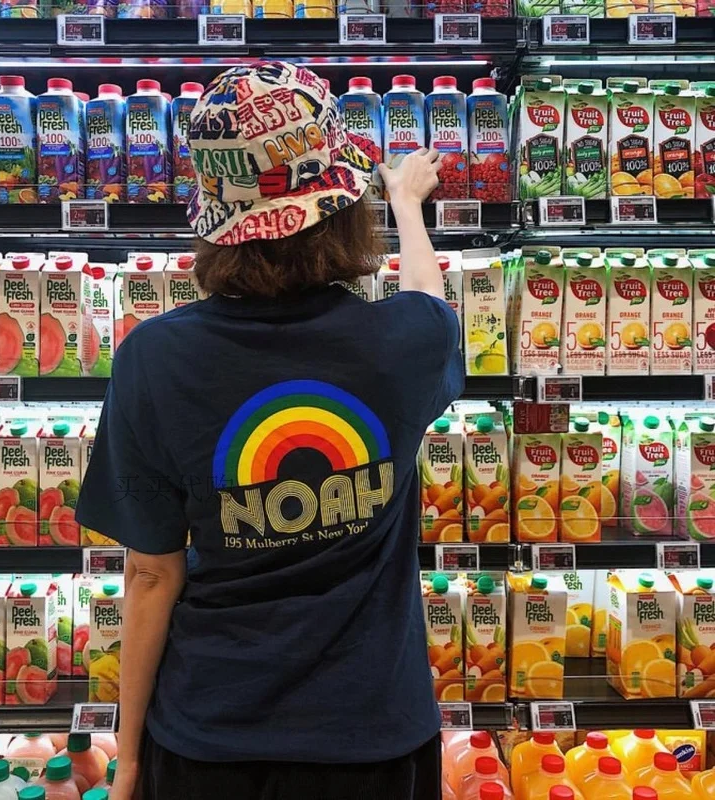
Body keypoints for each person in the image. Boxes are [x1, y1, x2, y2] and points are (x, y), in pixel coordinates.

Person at [76, 60, 464, 800]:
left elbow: (152, 574)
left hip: (208, 737)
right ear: (344, 204)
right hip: (374, 735)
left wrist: (127, 759)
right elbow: (429, 300)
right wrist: (407, 205)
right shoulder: (407, 341)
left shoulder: (152, 358)